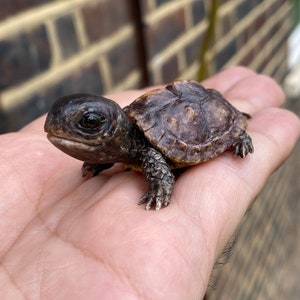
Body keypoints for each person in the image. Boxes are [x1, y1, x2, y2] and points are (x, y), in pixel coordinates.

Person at [0, 67, 299, 299]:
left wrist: (160, 186)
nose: (77, 131)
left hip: (206, 115)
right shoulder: (123, 144)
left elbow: (152, 156)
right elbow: (121, 150)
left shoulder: (144, 148)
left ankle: (239, 130)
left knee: (168, 151)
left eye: (89, 123)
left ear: (114, 128)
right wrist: (98, 158)